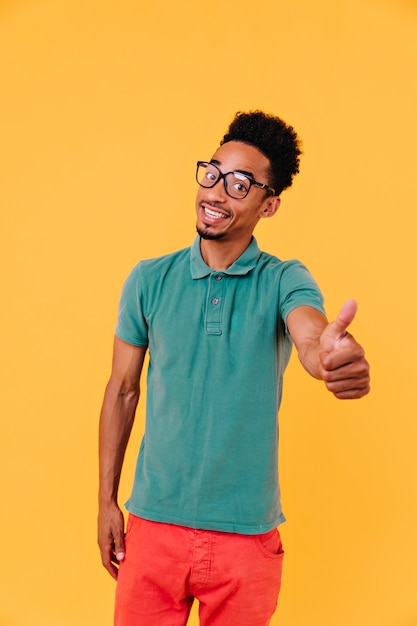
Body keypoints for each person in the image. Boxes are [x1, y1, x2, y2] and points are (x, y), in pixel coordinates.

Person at [98, 110, 370, 626]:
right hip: (152, 525)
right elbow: (122, 390)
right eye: (213, 173)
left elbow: (310, 336)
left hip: (246, 539)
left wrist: (330, 357)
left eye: (240, 184)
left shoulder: (286, 279)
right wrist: (107, 501)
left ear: (270, 205)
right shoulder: (148, 279)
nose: (217, 192)